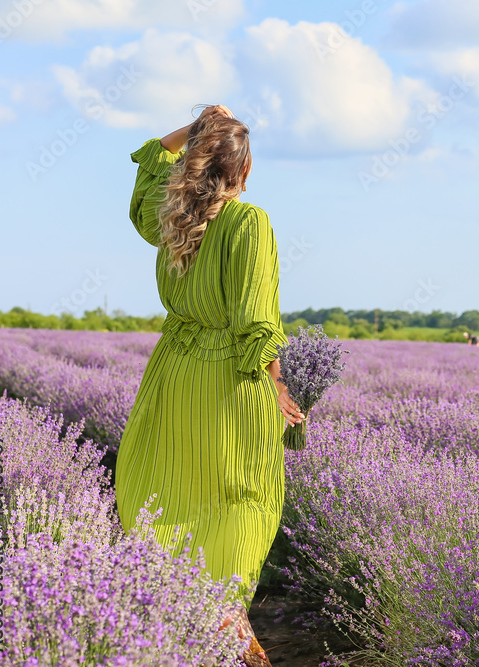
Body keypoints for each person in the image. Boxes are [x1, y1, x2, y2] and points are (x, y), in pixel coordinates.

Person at [115, 104, 304, 667]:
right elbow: (256, 320)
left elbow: (152, 157)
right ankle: (229, 624)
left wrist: (198, 125)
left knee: (169, 494)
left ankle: (190, 622)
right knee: (239, 501)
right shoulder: (249, 223)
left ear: (195, 167)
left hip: (174, 376)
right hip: (227, 382)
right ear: (243, 173)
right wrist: (277, 385)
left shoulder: (169, 216)